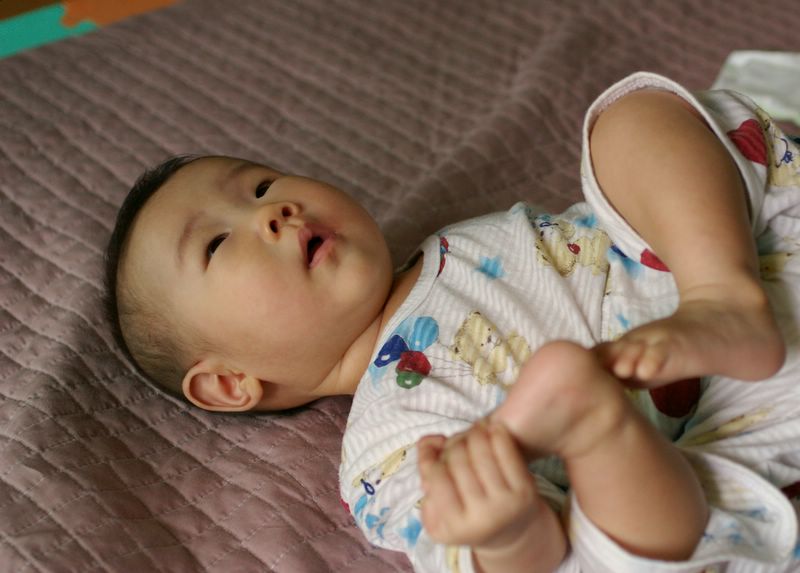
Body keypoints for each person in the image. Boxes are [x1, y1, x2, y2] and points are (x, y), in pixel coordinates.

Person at [104, 72, 800, 572]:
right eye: (216, 244)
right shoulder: (387, 446)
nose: (270, 211)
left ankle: (721, 295)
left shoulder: (453, 245)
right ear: (230, 382)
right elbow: (479, 548)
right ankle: (599, 424)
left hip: (750, 269)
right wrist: (507, 531)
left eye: (261, 184)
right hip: (727, 463)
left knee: (631, 117)